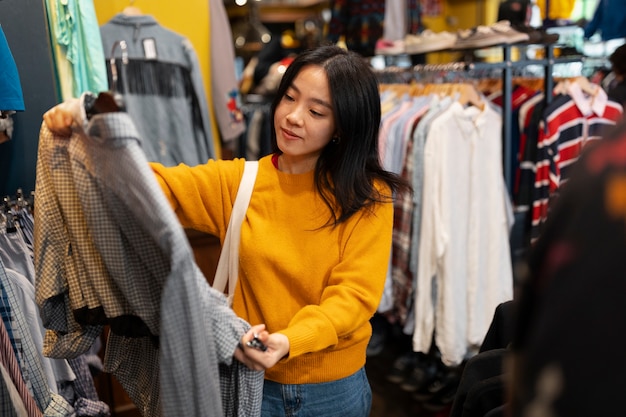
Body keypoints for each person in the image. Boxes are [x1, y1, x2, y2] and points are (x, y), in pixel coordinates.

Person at [43, 44, 410, 416]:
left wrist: (288, 341)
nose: (293, 117)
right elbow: (149, 185)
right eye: (289, 98)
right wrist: (86, 129)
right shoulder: (241, 182)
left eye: (316, 111)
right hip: (252, 386)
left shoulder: (367, 197)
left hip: (334, 392)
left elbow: (353, 297)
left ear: (341, 127)